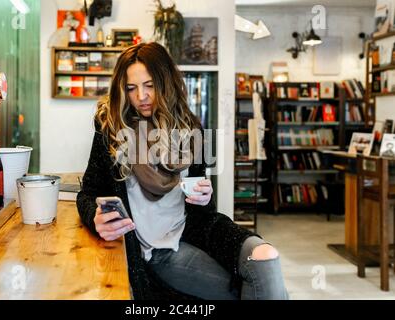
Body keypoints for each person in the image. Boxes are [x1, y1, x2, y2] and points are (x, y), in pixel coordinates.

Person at [76, 42, 288, 300]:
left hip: (193, 230)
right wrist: (94, 217)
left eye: (150, 85)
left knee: (265, 258)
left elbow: (202, 213)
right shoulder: (110, 129)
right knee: (245, 288)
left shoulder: (191, 129)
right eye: (131, 88)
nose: (141, 96)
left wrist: (203, 196)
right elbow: (87, 194)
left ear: (165, 83)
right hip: (155, 250)